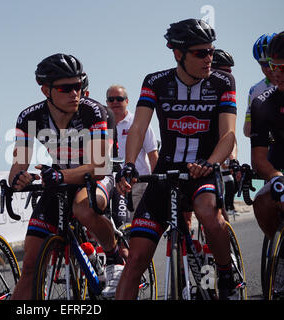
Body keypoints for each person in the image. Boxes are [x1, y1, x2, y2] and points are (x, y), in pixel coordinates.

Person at [115, 19, 237, 300]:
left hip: (203, 169)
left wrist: (211, 163)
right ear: (177, 54)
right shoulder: (156, 82)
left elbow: (228, 135)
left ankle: (225, 273)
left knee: (208, 214)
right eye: (200, 53)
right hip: (166, 173)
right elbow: (138, 128)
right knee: (135, 260)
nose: (209, 58)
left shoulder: (222, 82)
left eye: (210, 51)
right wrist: (129, 165)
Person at [10, 53, 123, 299]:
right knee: (30, 264)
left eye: (78, 85)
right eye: (66, 88)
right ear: (45, 90)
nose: (75, 93)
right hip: (61, 181)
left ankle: (115, 257)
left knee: (83, 208)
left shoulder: (93, 111)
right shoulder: (30, 117)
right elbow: (17, 168)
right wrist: (21, 179)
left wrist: (60, 176)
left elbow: (99, 167)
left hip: (94, 177)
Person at [250, 32, 284, 242]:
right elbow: (258, 158)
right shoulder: (262, 103)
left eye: (283, 68)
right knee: (262, 202)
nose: (276, 73)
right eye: (273, 66)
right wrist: (276, 177)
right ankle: (279, 256)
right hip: (279, 164)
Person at [106, 84, 158, 217]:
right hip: (110, 186)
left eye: (119, 98)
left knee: (134, 228)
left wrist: (157, 185)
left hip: (138, 184)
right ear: (106, 103)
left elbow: (153, 155)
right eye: (111, 100)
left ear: (127, 101)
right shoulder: (102, 125)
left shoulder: (138, 122)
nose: (115, 102)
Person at [211, 49, 238, 217]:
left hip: (219, 151)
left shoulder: (227, 91)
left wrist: (233, 159)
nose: (229, 76)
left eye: (230, 71)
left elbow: (231, 134)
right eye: (224, 71)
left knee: (218, 214)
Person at [243, 33, 277, 138]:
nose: (267, 68)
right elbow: (247, 130)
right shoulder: (256, 90)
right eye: (263, 64)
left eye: (270, 63)